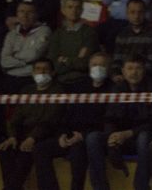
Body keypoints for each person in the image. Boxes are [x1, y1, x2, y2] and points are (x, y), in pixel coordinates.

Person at [33, 52, 114, 190]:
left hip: (91, 138)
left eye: (102, 65)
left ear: (108, 68)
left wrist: (82, 135)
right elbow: (66, 114)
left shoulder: (113, 89)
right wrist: (62, 134)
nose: (98, 68)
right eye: (94, 65)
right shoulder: (79, 87)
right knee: (40, 149)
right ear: (89, 67)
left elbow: (109, 121)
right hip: (70, 135)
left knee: (77, 152)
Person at [86, 54, 152, 190]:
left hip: (141, 137)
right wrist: (112, 135)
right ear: (123, 71)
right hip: (120, 138)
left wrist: (129, 133)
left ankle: (141, 186)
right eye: (130, 68)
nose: (134, 72)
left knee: (144, 137)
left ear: (144, 70)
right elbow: (109, 117)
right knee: (93, 138)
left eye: (138, 68)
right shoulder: (117, 88)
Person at [0, 57, 65, 190]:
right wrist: (12, 136)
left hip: (45, 135)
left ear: (52, 73)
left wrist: (32, 138)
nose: (41, 72)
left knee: (26, 153)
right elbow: (15, 118)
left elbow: (50, 120)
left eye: (45, 69)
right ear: (33, 73)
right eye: (38, 69)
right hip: (24, 134)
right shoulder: (26, 90)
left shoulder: (58, 91)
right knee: (5, 150)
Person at [47, 0, 99, 88]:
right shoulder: (57, 34)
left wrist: (63, 60)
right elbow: (52, 62)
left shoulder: (89, 32)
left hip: (83, 79)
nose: (74, 11)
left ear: (82, 10)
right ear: (63, 10)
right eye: (70, 7)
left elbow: (84, 63)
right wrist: (75, 60)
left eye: (77, 7)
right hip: (59, 80)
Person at [0, 1, 52, 93]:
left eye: (30, 12)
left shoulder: (44, 31)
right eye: (22, 11)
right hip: (10, 77)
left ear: (36, 15)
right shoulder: (11, 34)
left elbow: (33, 55)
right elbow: (4, 61)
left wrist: (14, 57)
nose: (25, 15)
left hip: (30, 78)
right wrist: (24, 63)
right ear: (17, 14)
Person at [111, 0, 152, 77]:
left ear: (145, 13)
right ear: (127, 14)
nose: (136, 16)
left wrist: (136, 73)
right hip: (126, 74)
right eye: (132, 12)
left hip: (146, 75)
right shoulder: (122, 34)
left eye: (140, 12)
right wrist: (117, 74)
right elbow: (117, 59)